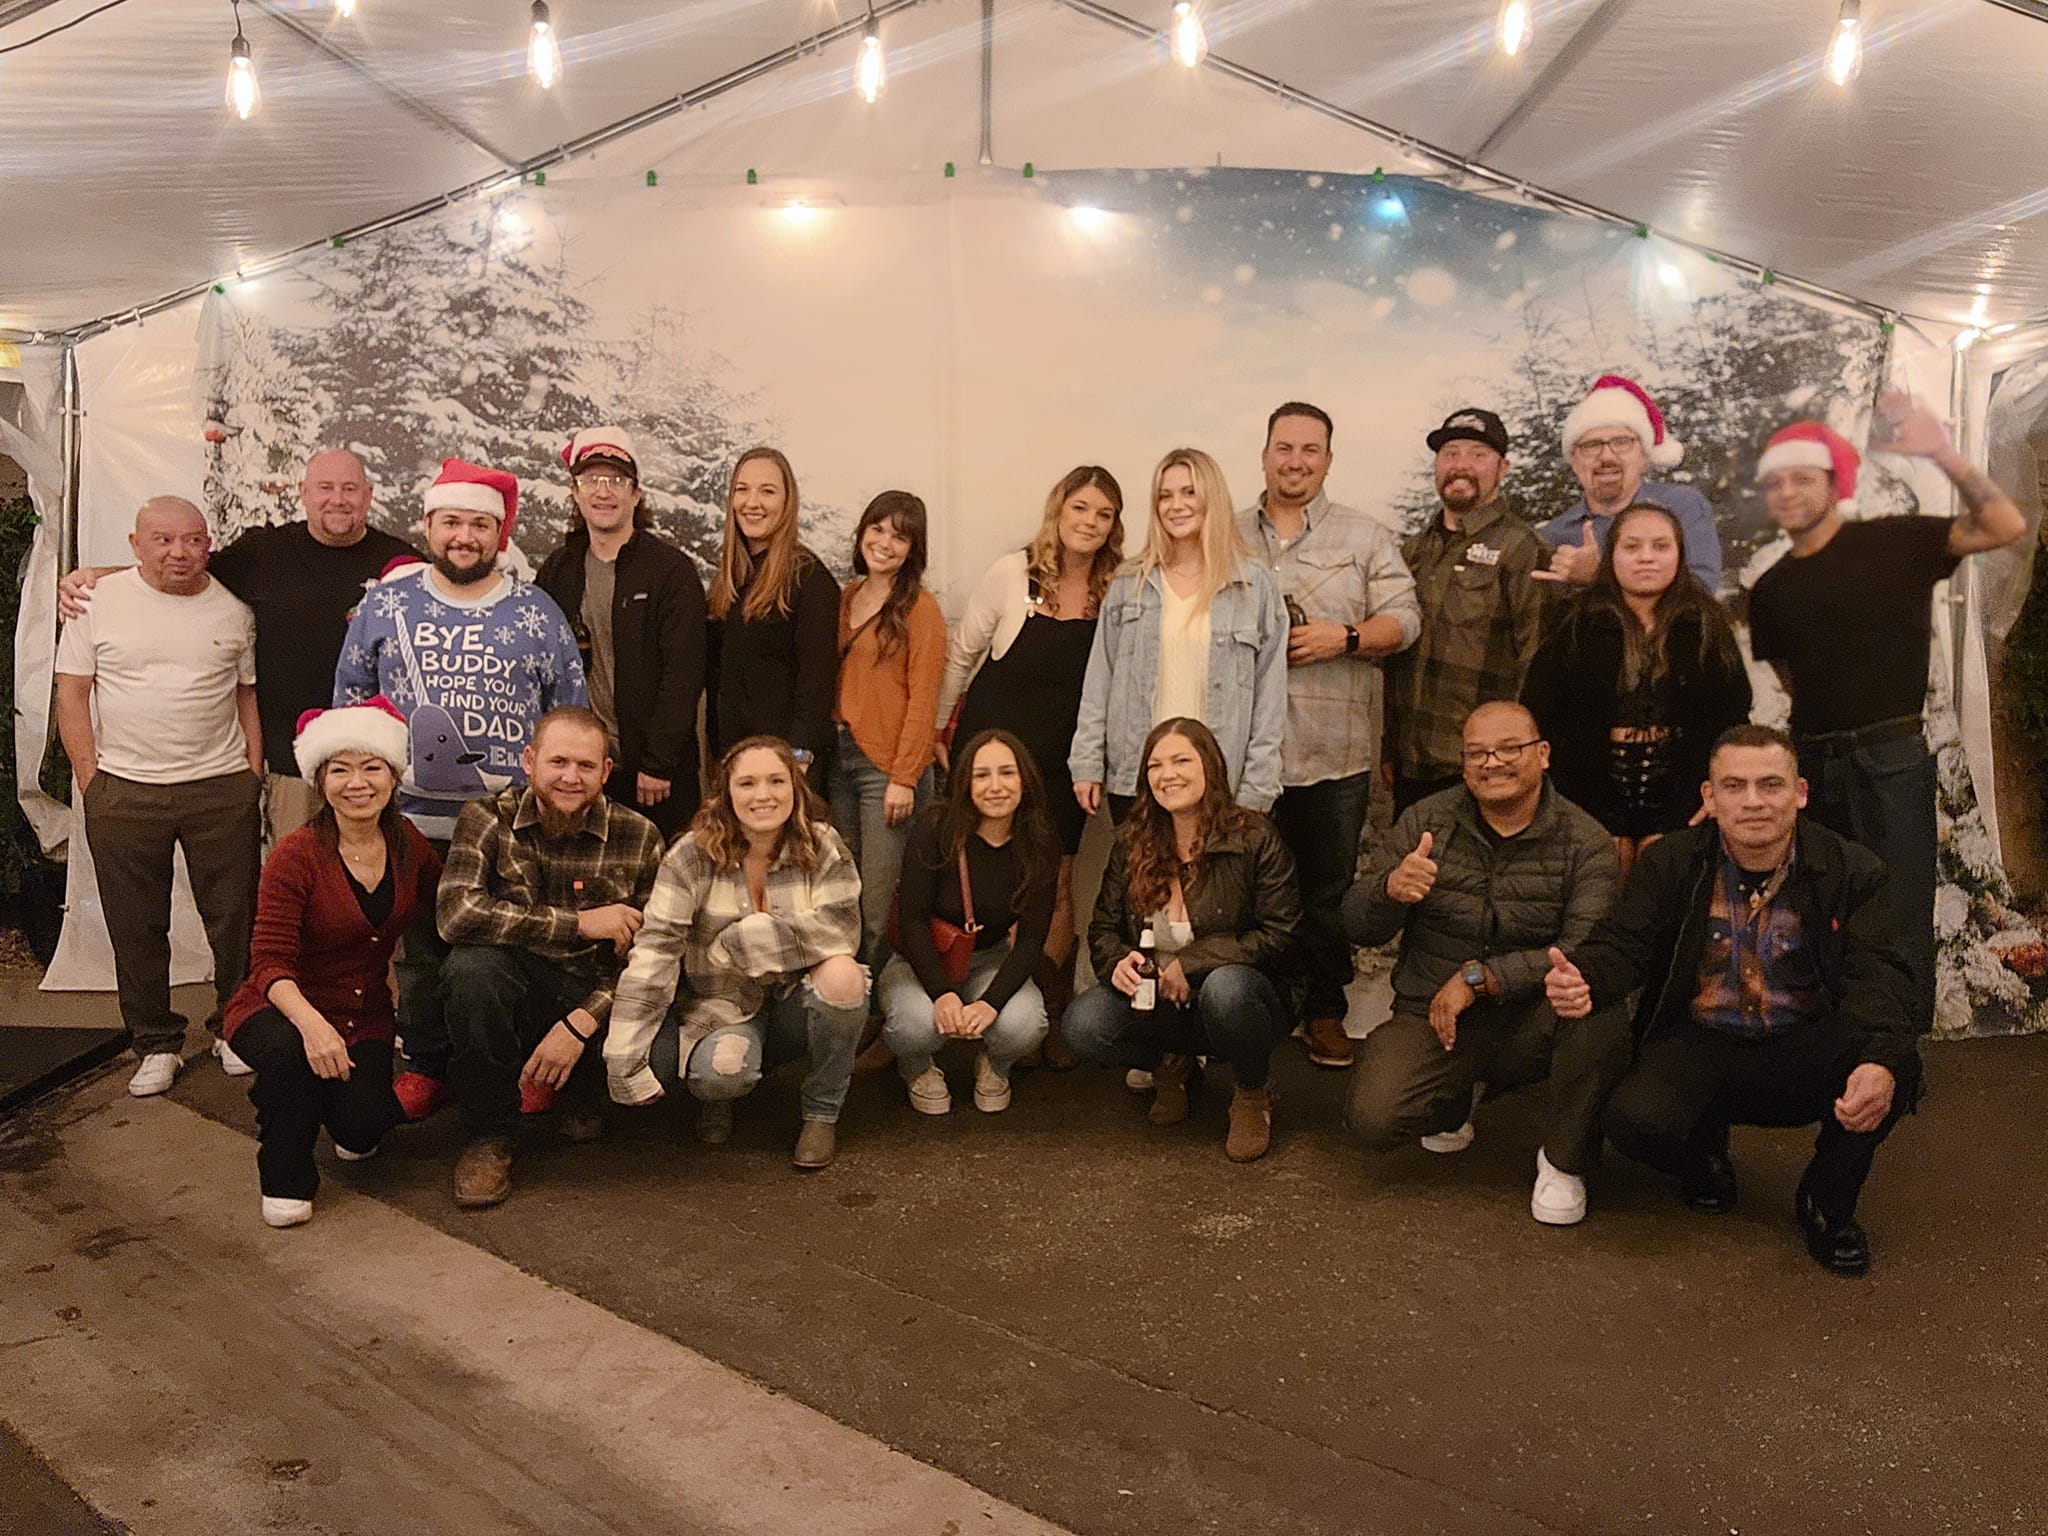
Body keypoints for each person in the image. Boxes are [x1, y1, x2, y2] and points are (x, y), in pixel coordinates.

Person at [1545, 726, 1921, 1274]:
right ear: (1709, 797)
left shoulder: (1851, 870)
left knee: (1895, 1065)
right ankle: (1704, 1156)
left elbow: (1880, 975)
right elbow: (1624, 943)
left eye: (1770, 785)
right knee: (1632, 1119)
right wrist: (1585, 977)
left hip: (1803, 1047)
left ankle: (1826, 1202)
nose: (1752, 802)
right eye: (1734, 785)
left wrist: (1878, 1059)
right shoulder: (1673, 862)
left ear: (1800, 793)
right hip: (1699, 1043)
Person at [1745, 398, 2025, 1036]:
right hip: (1812, 759)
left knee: (1898, 911)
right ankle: (1835, 1041)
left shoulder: (1898, 541)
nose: (1788, 492)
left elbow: (2005, 523)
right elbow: (1793, 683)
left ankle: (1895, 1050)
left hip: (1891, 756)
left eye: (1802, 477)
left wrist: (1942, 452)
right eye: (1776, 481)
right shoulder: (1769, 590)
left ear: (1834, 484)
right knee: (1822, 905)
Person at [332, 457, 588, 1122]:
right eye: (452, 522)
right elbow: (351, 699)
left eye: (480, 523)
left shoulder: (536, 612)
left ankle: (525, 1064)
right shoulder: (388, 604)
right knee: (419, 955)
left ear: (500, 534)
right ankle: (426, 1065)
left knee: (508, 956)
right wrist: (362, 798)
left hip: (511, 825)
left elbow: (570, 709)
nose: (465, 535)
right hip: (411, 818)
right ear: (428, 525)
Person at [1342, 700, 1628, 1225]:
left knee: (1597, 1011)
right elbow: (1357, 925)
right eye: (1476, 753)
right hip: (1434, 1013)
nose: (1491, 762)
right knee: (1373, 1120)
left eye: (1508, 749)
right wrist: (1388, 891)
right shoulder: (1426, 820)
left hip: (1534, 1017)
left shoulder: (1584, 839)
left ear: (1542, 754)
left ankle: (1564, 1161)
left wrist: (1480, 978)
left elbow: (1583, 950)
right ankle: (1457, 1097)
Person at [58, 448, 417, 843]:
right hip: (291, 766)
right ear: (303, 492)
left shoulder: (401, 564)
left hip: (374, 765)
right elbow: (182, 568)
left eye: (350, 489)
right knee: (295, 883)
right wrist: (95, 576)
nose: (338, 499)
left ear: (367, 495)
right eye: (325, 487)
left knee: (374, 876)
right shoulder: (265, 553)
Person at [54, 497, 263, 1096]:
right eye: (164, 540)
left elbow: (246, 696)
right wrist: (93, 781)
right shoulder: (96, 603)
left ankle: (235, 1028)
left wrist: (250, 774)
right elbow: (72, 695)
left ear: (208, 543)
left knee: (235, 921)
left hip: (220, 789)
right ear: (135, 543)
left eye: (193, 540)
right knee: (135, 924)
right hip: (125, 792)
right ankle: (155, 1041)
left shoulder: (234, 609)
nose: (179, 552)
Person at [1238, 401, 1421, 1069]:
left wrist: (1345, 637)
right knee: (1242, 891)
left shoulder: (1366, 537)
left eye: (1310, 450)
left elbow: (1405, 619)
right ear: (1264, 455)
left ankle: (1322, 1011)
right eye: (1284, 447)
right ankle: (1248, 1011)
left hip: (1332, 754)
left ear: (1328, 461)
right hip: (1241, 756)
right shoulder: (1222, 536)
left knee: (1325, 893)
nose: (1295, 460)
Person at [219, 698, 440, 1228]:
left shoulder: (408, 844)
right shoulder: (295, 855)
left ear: (393, 776)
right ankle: (285, 1176)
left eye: (371, 767)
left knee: (365, 1128)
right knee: (292, 1061)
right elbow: (268, 962)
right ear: (320, 782)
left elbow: (445, 912)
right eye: (340, 769)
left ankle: (318, 1098)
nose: (357, 783)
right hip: (279, 1007)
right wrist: (314, 1030)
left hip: (363, 1015)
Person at [435, 707, 666, 1208]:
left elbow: (655, 957)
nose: (570, 777)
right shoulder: (486, 818)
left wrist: (582, 1022)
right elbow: (456, 915)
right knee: (471, 969)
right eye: (557, 761)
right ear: (529, 760)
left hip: (595, 1005)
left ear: (606, 772)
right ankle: (488, 1137)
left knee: (647, 1019)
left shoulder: (641, 836)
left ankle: (580, 1092)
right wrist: (580, 923)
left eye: (586, 766)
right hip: (518, 993)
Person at [605, 736, 869, 1170]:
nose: (762, 795)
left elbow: (842, 931)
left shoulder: (823, 844)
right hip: (721, 1002)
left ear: (795, 787)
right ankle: (722, 1095)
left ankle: (821, 1112)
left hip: (793, 1001)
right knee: (719, 1075)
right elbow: (656, 951)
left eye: (775, 781)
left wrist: (741, 940)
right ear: (726, 791)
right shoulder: (689, 855)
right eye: (747, 783)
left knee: (844, 974)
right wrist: (623, 1055)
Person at [940, 464, 1126, 1064]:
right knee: (973, 870)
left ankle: (1050, 1016)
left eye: (1103, 514)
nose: (1090, 523)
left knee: (1057, 880)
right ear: (1058, 511)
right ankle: (952, 1006)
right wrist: (937, 734)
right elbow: (962, 655)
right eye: (1080, 509)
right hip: (992, 750)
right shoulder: (1012, 572)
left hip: (1067, 758)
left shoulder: (1119, 588)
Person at [1065, 718, 1301, 1162]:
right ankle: (1169, 1066)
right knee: (1084, 1025)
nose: (1166, 774)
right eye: (1155, 765)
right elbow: (1102, 931)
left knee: (1227, 988)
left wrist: (1191, 964)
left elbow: (1281, 935)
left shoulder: (1254, 838)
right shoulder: (1131, 842)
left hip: (1243, 998)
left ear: (1209, 766)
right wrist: (1116, 962)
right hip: (1160, 1001)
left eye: (1180, 761)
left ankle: (1252, 1092)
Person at [1522, 502, 1751, 879]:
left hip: (1685, 796)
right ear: (1611, 555)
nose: (1647, 558)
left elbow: (1731, 718)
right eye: (1632, 547)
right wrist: (1587, 816)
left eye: (1661, 546)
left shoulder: (1708, 623)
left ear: (1680, 554)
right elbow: (1541, 714)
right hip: (1585, 797)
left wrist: (1706, 799)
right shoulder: (1573, 621)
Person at [1070, 448, 1288, 819]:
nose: (1176, 505)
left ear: (1212, 498)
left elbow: (1271, 696)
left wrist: (1258, 785)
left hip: (1222, 782)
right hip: (1139, 777)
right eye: (1165, 495)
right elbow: (1099, 681)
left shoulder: (1255, 585)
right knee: (1142, 877)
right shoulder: (1128, 584)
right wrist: (1088, 761)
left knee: (1213, 880)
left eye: (1189, 492)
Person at [535, 427, 707, 839]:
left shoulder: (670, 571)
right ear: (575, 492)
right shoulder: (558, 570)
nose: (604, 492)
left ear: (636, 494)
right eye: (592, 480)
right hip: (581, 771)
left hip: (654, 775)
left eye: (616, 481)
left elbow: (684, 673)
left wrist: (659, 763)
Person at [878, 730, 1059, 1116]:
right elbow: (911, 921)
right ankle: (916, 1067)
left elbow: (1031, 939)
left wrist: (991, 1004)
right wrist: (942, 992)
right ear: (965, 782)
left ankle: (995, 1065)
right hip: (921, 957)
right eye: (981, 775)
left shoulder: (1039, 840)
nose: (996, 786)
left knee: (1025, 1024)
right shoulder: (936, 827)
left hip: (989, 957)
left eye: (1007, 773)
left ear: (1024, 780)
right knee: (914, 1025)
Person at [1384, 409, 1550, 813]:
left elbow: (1537, 662)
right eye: (1450, 453)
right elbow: (1394, 659)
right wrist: (1390, 745)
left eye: (1478, 454)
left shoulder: (1522, 548)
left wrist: (1516, 757)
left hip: (1485, 767)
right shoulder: (1413, 552)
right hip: (1411, 764)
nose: (1461, 465)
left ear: (1503, 467)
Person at [829, 490, 947, 969]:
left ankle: (873, 1019)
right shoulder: (846, 597)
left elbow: (925, 698)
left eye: (900, 536)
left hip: (888, 770)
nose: (885, 543)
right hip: (838, 758)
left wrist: (904, 777)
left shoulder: (921, 608)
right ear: (861, 534)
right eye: (877, 529)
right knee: (840, 891)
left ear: (913, 549)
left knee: (875, 904)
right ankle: (842, 1000)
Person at [705, 447, 840, 775]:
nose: (752, 502)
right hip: (736, 759)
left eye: (767, 491)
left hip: (789, 765)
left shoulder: (809, 577)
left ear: (787, 501)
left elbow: (817, 680)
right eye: (742, 490)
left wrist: (798, 756)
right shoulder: (731, 579)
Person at [1537, 375, 1722, 590]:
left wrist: (1598, 576)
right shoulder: (1552, 537)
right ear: (1574, 461)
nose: (1606, 456)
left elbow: (1699, 595)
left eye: (1621, 442)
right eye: (1591, 445)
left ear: (1643, 455)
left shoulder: (1682, 507)